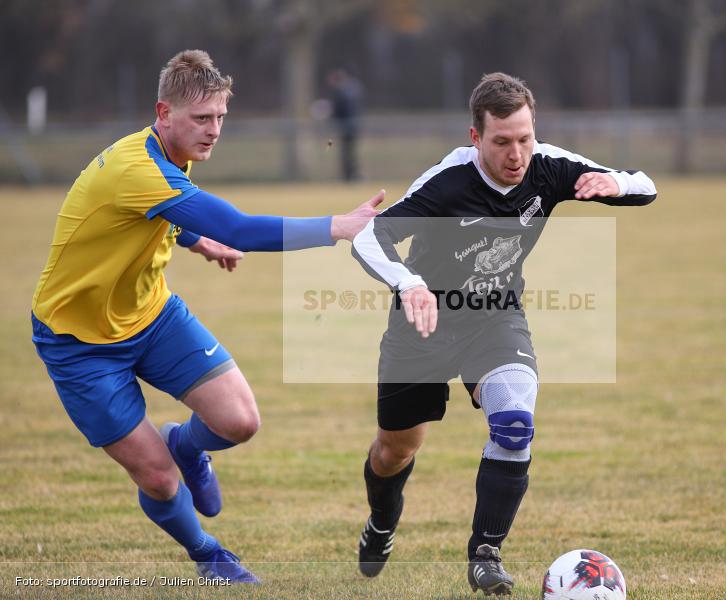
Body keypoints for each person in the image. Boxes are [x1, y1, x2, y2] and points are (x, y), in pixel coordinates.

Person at [30, 50, 383, 584]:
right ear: (162, 112)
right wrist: (338, 225)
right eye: (201, 119)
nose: (214, 130)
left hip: (150, 314)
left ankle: (186, 443)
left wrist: (196, 241)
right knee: (158, 478)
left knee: (240, 421)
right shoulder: (137, 168)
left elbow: (158, 215)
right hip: (77, 341)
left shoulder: (172, 154)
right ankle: (207, 554)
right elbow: (238, 227)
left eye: (220, 117)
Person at [351, 72, 657, 595]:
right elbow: (367, 235)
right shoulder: (446, 183)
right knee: (394, 451)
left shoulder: (548, 165)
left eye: (525, 138)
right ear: (476, 137)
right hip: (421, 326)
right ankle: (381, 523)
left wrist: (617, 184)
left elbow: (645, 184)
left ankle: (485, 554)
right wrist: (409, 284)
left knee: (515, 423)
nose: (517, 154)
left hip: (496, 318)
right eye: (502, 142)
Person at [327, 68, 363, 181]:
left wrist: (331, 114)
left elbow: (341, 109)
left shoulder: (342, 92)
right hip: (352, 126)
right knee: (349, 152)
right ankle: (351, 175)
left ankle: (350, 176)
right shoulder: (352, 90)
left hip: (347, 126)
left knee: (347, 153)